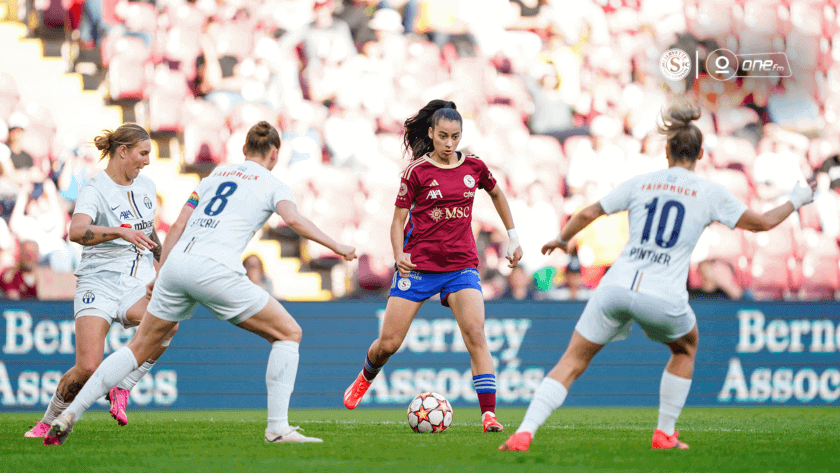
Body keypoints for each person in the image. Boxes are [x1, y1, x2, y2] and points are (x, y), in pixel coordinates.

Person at [499, 101, 815, 452]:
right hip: (663, 292)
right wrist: (796, 200)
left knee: (572, 360)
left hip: (617, 284)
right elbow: (763, 223)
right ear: (699, 156)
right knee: (685, 347)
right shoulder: (709, 192)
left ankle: (524, 432)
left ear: (666, 150)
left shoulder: (642, 183)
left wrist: (561, 239)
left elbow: (589, 211)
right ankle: (664, 433)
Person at [45, 121, 357, 445]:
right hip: (215, 267)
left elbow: (179, 224)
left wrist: (160, 274)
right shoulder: (273, 183)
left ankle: (70, 413)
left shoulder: (214, 176)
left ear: (243, 150)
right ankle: (277, 429)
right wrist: (337, 246)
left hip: (178, 263)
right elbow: (292, 220)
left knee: (137, 347)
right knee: (289, 333)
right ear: (275, 154)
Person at [342, 100, 523, 433]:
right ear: (431, 133)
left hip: (461, 266)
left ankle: (489, 415)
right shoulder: (416, 173)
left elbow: (497, 195)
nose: (449, 143)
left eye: (455, 136)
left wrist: (512, 237)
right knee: (389, 344)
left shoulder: (474, 167)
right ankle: (365, 377)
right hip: (419, 267)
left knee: (477, 335)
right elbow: (398, 221)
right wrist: (399, 253)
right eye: (443, 136)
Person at [25, 124, 174, 439]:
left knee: (168, 321)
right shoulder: (95, 188)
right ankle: (46, 422)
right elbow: (76, 232)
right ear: (123, 151)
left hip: (137, 280)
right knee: (88, 367)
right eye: (143, 153)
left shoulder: (146, 185)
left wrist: (162, 268)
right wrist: (120, 231)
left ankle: (125, 385)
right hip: (99, 282)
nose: (147, 161)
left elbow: (149, 234)